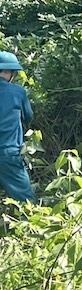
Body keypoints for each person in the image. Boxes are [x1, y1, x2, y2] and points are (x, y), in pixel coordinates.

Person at [0, 51, 36, 203]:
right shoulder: (18, 92)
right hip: (8, 153)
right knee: (27, 201)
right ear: (9, 72)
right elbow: (28, 116)